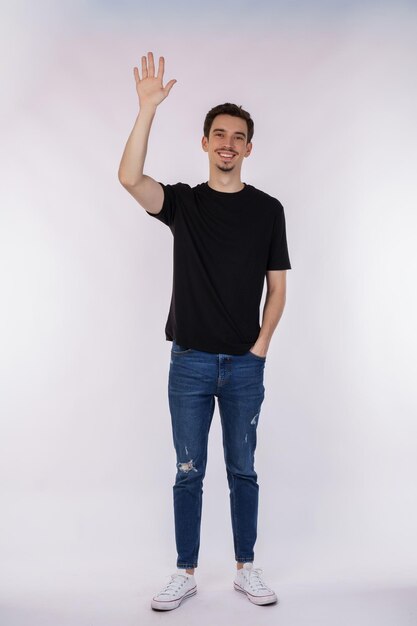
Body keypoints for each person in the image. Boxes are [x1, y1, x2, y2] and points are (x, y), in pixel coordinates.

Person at [118, 51, 291, 611]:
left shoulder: (269, 210)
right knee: (187, 471)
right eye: (218, 134)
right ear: (204, 142)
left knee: (243, 468)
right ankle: (185, 572)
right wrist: (147, 109)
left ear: (248, 148)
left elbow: (278, 286)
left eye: (237, 137)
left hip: (244, 364)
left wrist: (260, 347)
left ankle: (246, 568)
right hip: (189, 361)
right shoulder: (184, 204)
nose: (227, 143)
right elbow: (129, 178)